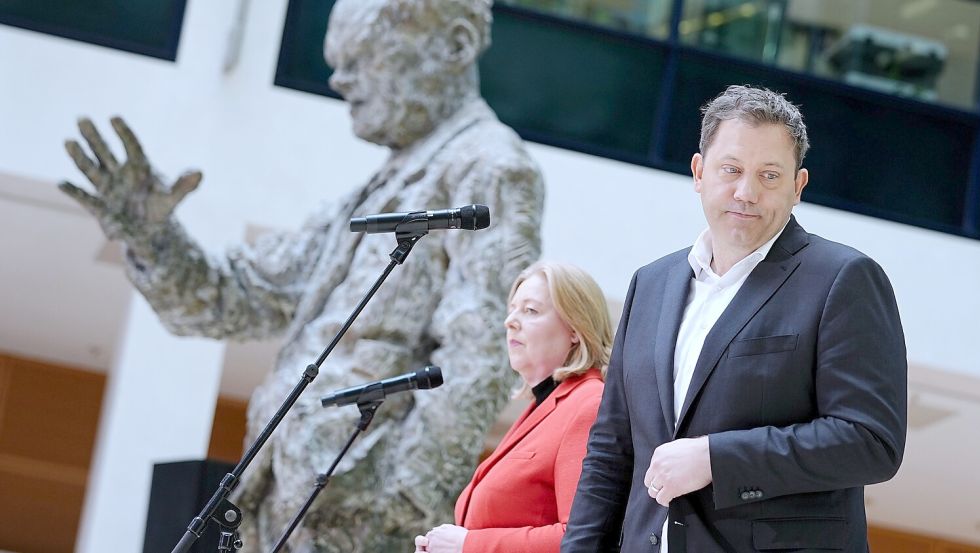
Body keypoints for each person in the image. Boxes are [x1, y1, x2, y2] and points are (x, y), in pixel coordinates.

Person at [60, 0, 545, 550]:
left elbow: (483, 349)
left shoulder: (490, 166)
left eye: (364, 58)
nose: (341, 79)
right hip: (288, 504)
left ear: (454, 45)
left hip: (355, 519)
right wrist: (155, 239)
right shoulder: (381, 186)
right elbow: (240, 296)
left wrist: (396, 501)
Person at [560, 85, 907, 552]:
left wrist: (714, 459)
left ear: (798, 186)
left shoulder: (843, 279)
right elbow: (612, 449)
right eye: (732, 170)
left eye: (769, 175)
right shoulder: (650, 284)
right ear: (699, 171)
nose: (747, 192)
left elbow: (870, 441)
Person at [415, 261, 614, 553]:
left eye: (530, 310)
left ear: (575, 328)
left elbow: (582, 539)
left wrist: (469, 545)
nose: (510, 321)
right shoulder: (543, 405)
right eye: (512, 308)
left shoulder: (588, 405)